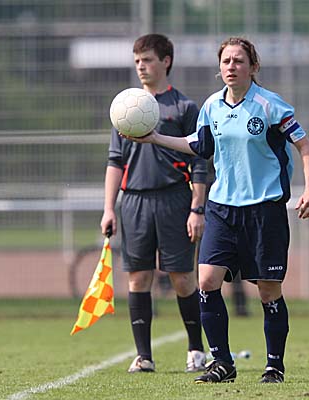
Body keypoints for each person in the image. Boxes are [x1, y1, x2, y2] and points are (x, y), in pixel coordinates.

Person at [124, 36, 309, 384]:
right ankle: (222, 363)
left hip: (264, 210)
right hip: (222, 208)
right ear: (219, 68)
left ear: (253, 67)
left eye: (239, 61)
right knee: (206, 280)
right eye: (226, 61)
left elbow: (303, 145)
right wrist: (154, 137)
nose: (231, 67)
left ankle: (274, 366)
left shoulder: (270, 105)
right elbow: (198, 145)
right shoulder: (212, 106)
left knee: (268, 290)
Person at [100, 33, 208, 373]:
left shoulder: (184, 107)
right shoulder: (123, 107)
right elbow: (115, 161)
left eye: (147, 60)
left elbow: (200, 160)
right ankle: (143, 356)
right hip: (134, 202)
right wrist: (109, 208)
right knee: (138, 279)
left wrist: (197, 207)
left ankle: (196, 350)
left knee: (182, 279)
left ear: (166, 61)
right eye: (137, 61)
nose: (141, 67)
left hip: (174, 199)